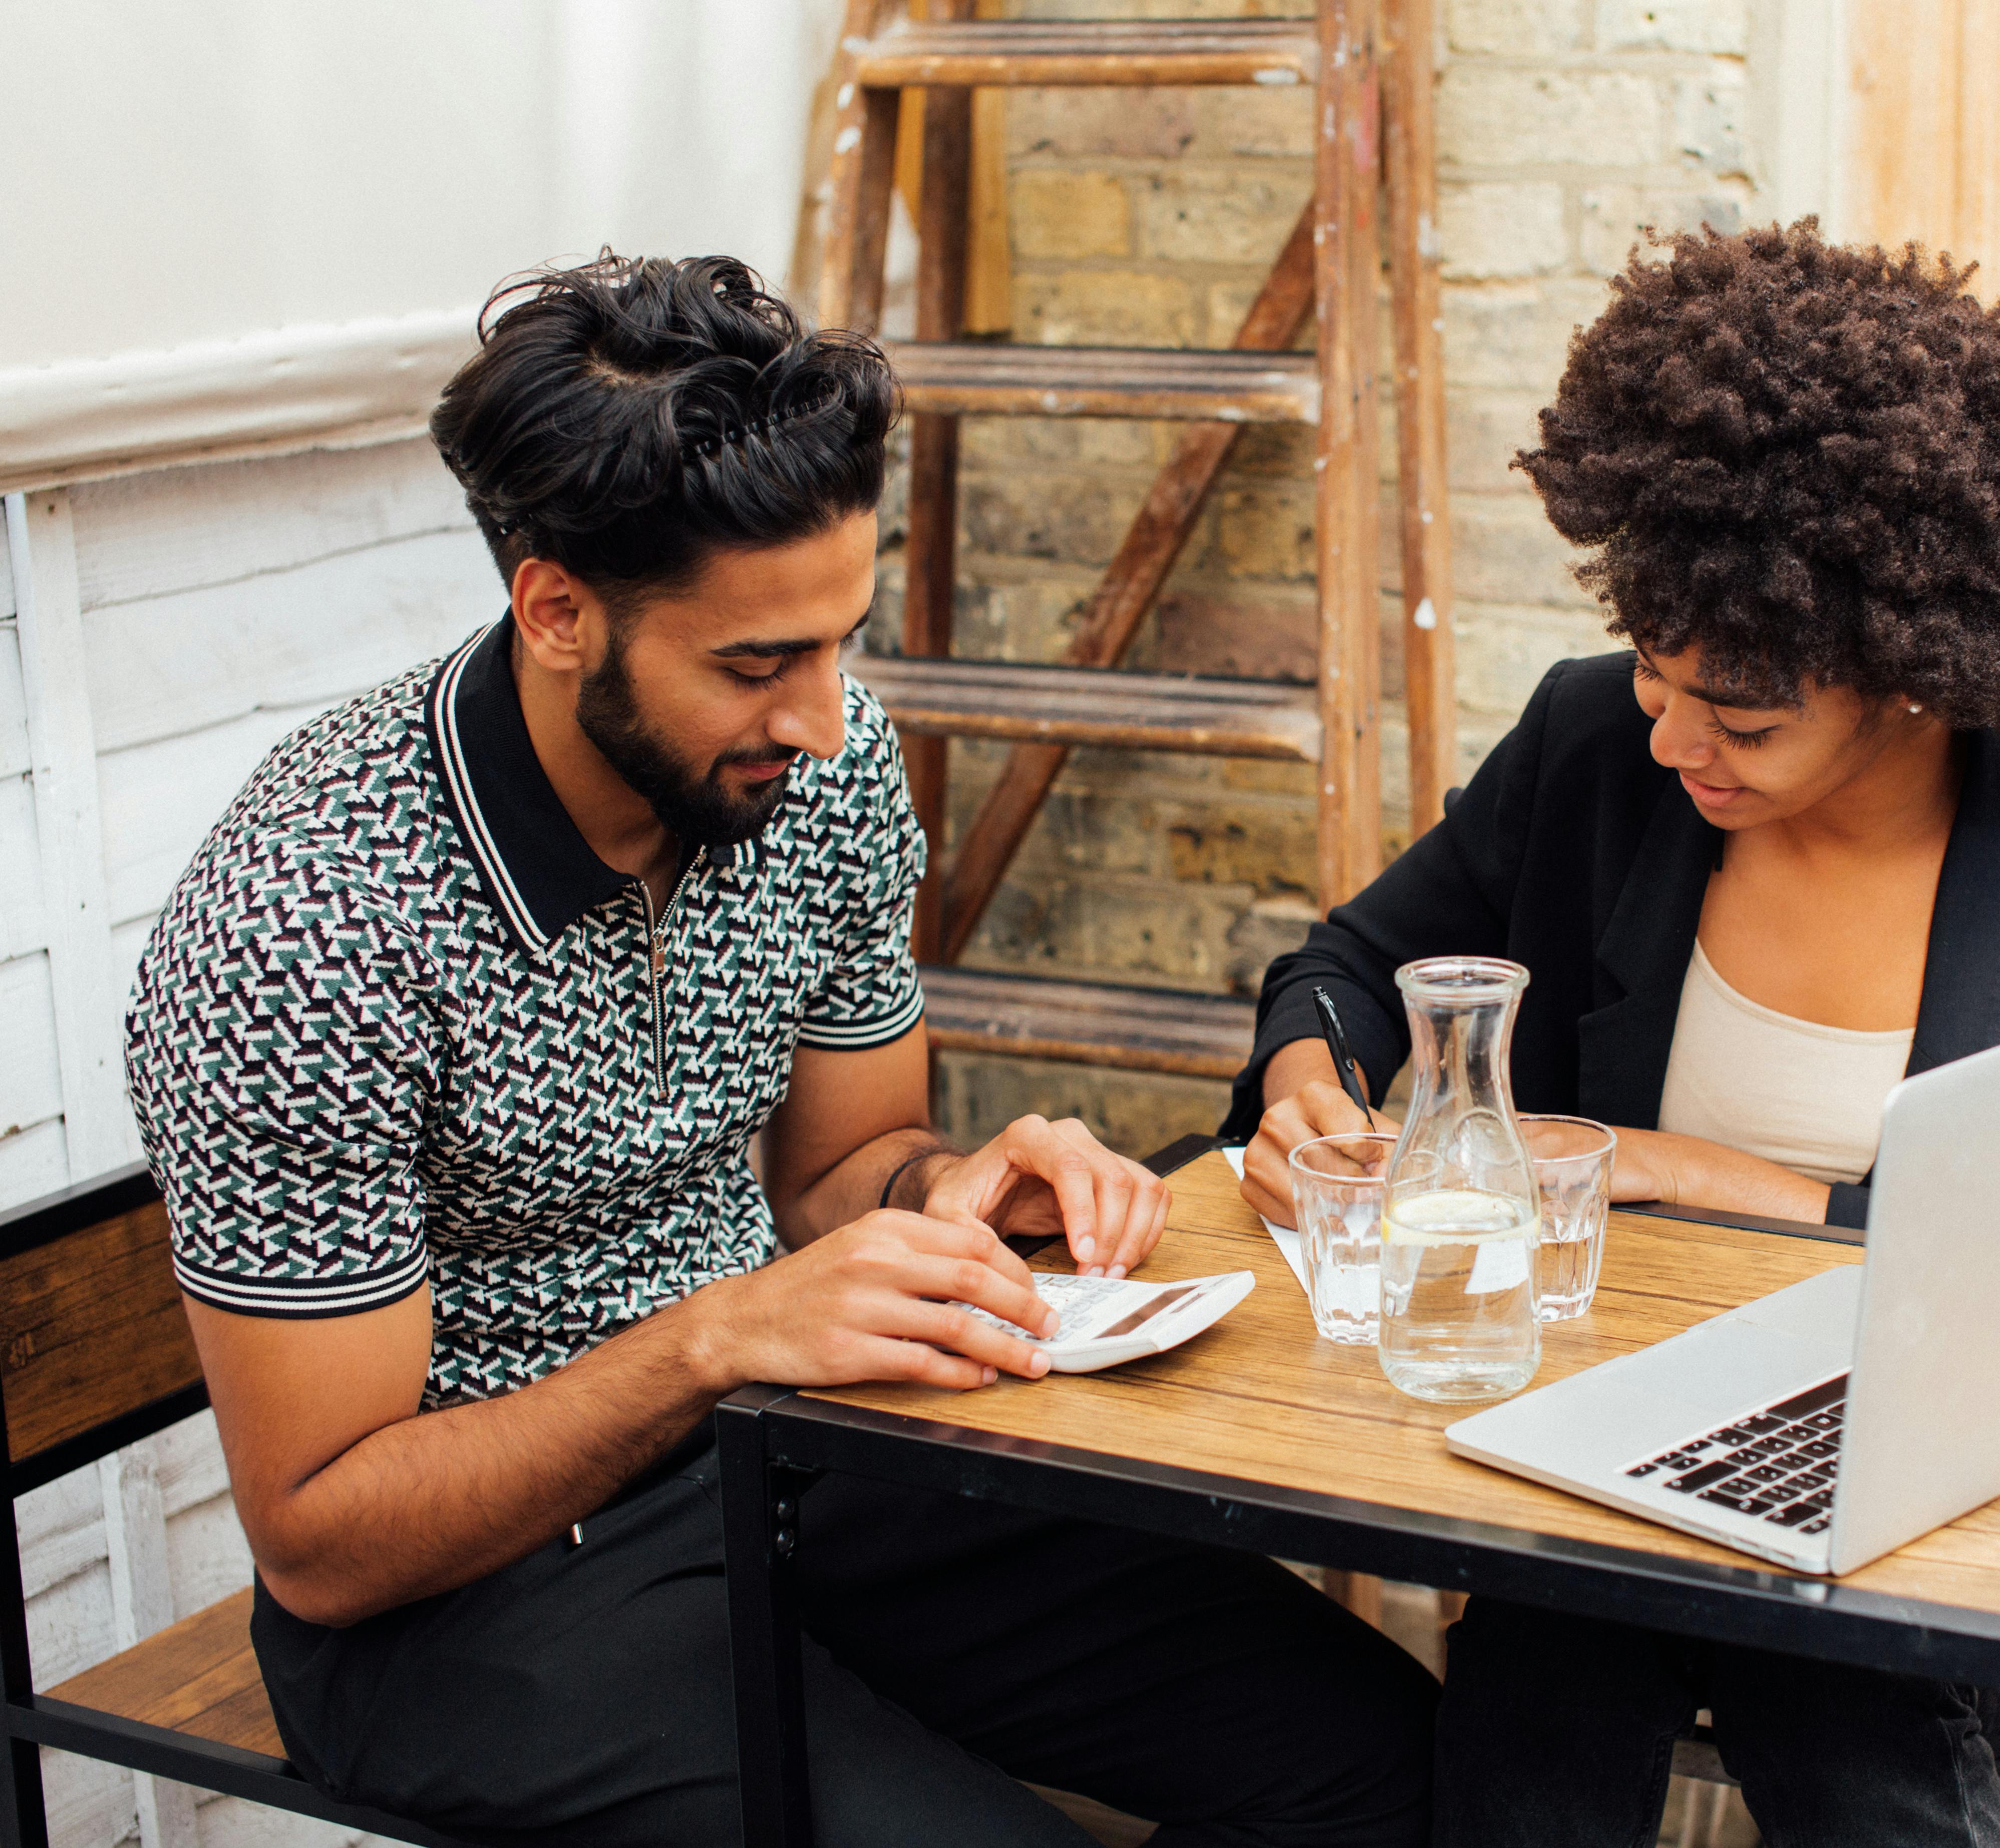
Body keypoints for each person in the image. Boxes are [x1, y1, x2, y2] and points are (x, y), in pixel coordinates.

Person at [125, 254, 1437, 1847]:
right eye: (757, 664)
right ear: (556, 611)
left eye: (840, 640)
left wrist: (962, 1188)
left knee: (1396, 1770)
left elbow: (834, 1171)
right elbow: (327, 1537)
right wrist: (714, 1337)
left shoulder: (822, 765)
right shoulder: (306, 918)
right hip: (468, 1609)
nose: (824, 718)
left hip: (804, 1452)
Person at [1226, 226, 2000, 1847]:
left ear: (1910, 674)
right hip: (1592, 1451)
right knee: (1559, 1677)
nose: (1674, 735)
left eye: (1744, 718)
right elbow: (1343, 964)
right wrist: (1306, 1086)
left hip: (1927, 1478)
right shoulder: (1594, 750)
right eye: (1654, 671)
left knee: (1814, 1669)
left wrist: (1679, 1168)